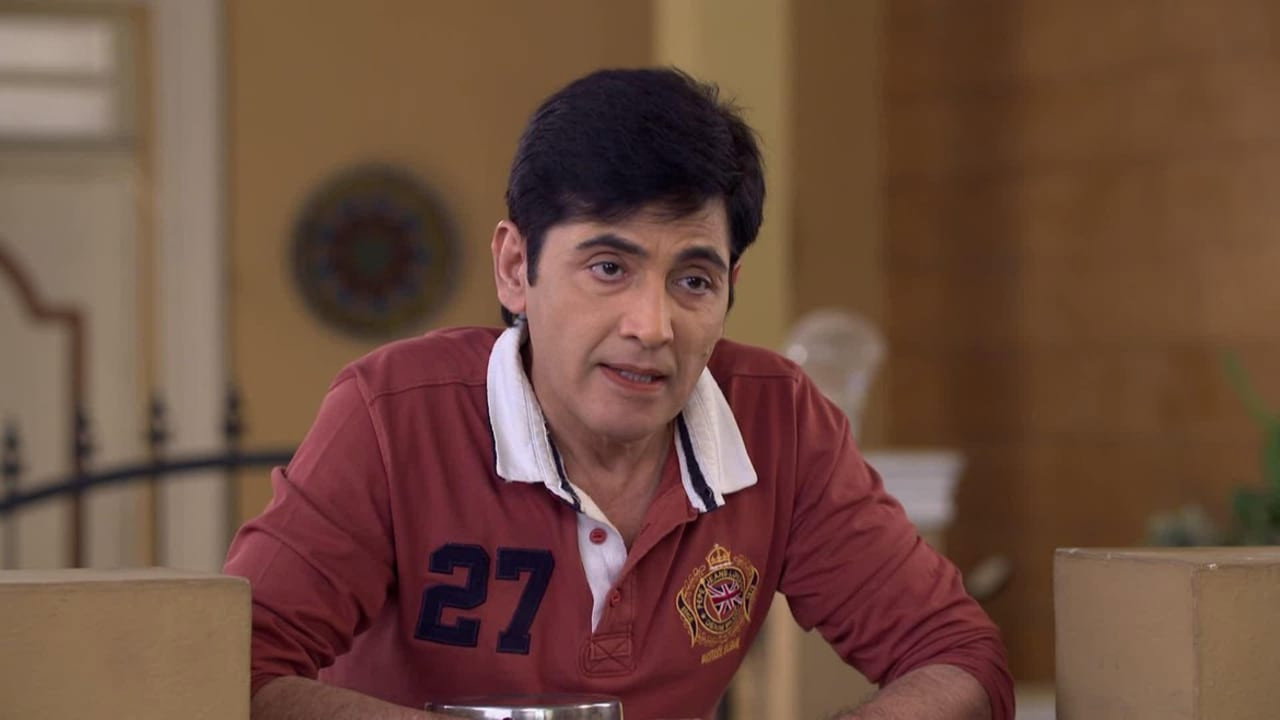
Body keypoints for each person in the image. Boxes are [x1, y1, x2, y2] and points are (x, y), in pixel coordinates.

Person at [225, 67, 1014, 720]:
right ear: (515, 269)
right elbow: (231, 670)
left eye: (694, 281)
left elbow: (960, 658)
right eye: (609, 267)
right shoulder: (392, 413)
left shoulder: (780, 420)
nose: (652, 326)